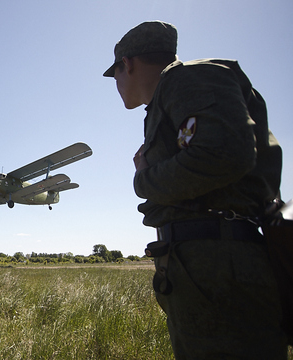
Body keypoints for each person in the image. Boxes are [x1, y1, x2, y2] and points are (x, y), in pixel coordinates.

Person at [103, 21, 288, 359]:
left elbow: (225, 153)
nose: (115, 83)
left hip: (217, 264)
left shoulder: (186, 78)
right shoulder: (171, 93)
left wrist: (143, 178)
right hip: (204, 263)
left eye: (114, 73)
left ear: (126, 63)